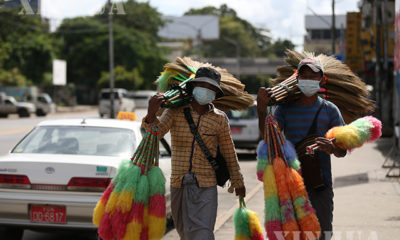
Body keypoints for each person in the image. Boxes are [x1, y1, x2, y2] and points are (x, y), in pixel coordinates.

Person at [142, 66, 246, 240]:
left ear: (216, 93)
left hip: (206, 186)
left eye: (211, 88)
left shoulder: (219, 119)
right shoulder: (175, 112)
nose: (206, 90)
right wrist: (151, 113)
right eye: (203, 85)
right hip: (179, 184)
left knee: (203, 235)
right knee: (186, 234)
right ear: (193, 86)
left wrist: (238, 181)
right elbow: (155, 134)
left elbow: (229, 152)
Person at [257, 58, 347, 240]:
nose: (308, 80)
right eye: (304, 76)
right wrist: (261, 110)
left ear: (321, 79)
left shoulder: (330, 110)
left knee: (321, 234)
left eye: (313, 76)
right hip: (290, 185)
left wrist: (332, 147)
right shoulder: (284, 109)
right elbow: (269, 138)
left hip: (320, 185)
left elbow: (343, 149)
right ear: (296, 80)